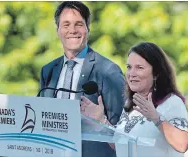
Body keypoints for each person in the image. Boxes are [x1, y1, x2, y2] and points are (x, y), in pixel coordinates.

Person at [39, 1, 125, 157]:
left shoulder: (108, 71)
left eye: (78, 24)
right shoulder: (48, 71)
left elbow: (123, 135)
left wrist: (101, 121)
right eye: (66, 25)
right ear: (58, 30)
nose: (72, 30)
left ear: (88, 29)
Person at [80, 42, 188, 157]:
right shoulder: (130, 104)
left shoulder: (171, 102)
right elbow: (120, 145)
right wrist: (101, 120)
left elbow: (182, 145)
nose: (131, 73)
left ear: (156, 73)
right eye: (129, 67)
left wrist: (156, 118)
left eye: (139, 67)